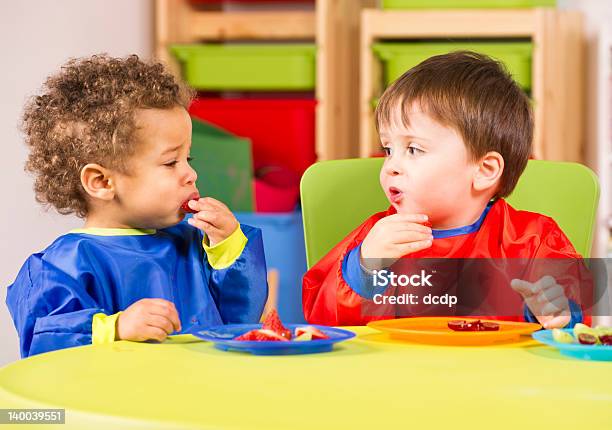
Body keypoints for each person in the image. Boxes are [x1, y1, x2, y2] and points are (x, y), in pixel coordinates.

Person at [7, 55, 267, 357]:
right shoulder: (60, 267)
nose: (191, 174)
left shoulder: (193, 244)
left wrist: (229, 247)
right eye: (171, 162)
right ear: (102, 182)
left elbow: (240, 321)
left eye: (188, 159)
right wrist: (115, 328)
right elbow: (43, 341)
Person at [302, 51, 587, 328]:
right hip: (399, 374)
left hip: (499, 376)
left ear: (484, 170)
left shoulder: (533, 241)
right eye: (389, 149)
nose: (391, 166)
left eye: (413, 149)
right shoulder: (378, 237)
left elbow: (577, 313)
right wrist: (365, 268)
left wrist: (559, 313)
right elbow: (321, 315)